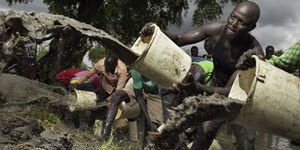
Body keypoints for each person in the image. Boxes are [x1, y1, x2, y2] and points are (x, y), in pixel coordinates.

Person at [141, 1, 264, 149]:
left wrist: (197, 87)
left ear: (251, 27)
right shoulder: (216, 30)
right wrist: (157, 32)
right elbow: (179, 39)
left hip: (243, 99)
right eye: (233, 17)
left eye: (242, 22)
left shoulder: (253, 53)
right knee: (203, 138)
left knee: (247, 144)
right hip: (216, 89)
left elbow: (230, 92)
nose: (234, 23)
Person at [102, 69, 163, 142]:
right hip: (138, 88)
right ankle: (106, 133)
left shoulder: (160, 73)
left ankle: (146, 145)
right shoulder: (136, 69)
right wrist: (148, 119)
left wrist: (150, 122)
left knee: (154, 126)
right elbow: (139, 96)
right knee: (116, 97)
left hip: (155, 94)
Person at [76, 53, 128, 126]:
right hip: (105, 87)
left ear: (115, 65)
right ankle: (90, 126)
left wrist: (107, 100)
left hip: (116, 90)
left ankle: (103, 128)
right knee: (96, 107)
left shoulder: (122, 70)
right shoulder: (100, 64)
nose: (109, 71)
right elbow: (88, 75)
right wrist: (77, 83)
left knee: (107, 111)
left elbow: (118, 91)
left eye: (111, 69)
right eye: (107, 69)